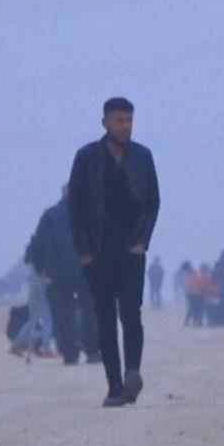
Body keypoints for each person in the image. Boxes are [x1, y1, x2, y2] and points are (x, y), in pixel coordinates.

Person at [68, 97, 160, 408]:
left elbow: (153, 203)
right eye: (119, 121)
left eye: (129, 121)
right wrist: (83, 250)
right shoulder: (87, 158)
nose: (125, 127)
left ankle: (132, 373)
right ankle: (114, 387)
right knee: (105, 318)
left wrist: (142, 241)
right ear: (105, 122)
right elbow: (75, 207)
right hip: (97, 252)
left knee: (131, 314)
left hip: (131, 251)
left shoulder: (143, 158)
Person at [27, 187, 84, 364]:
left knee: (62, 313)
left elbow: (39, 243)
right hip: (84, 270)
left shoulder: (51, 215)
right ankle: (92, 347)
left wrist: (39, 266)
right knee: (91, 309)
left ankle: (69, 351)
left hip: (57, 272)